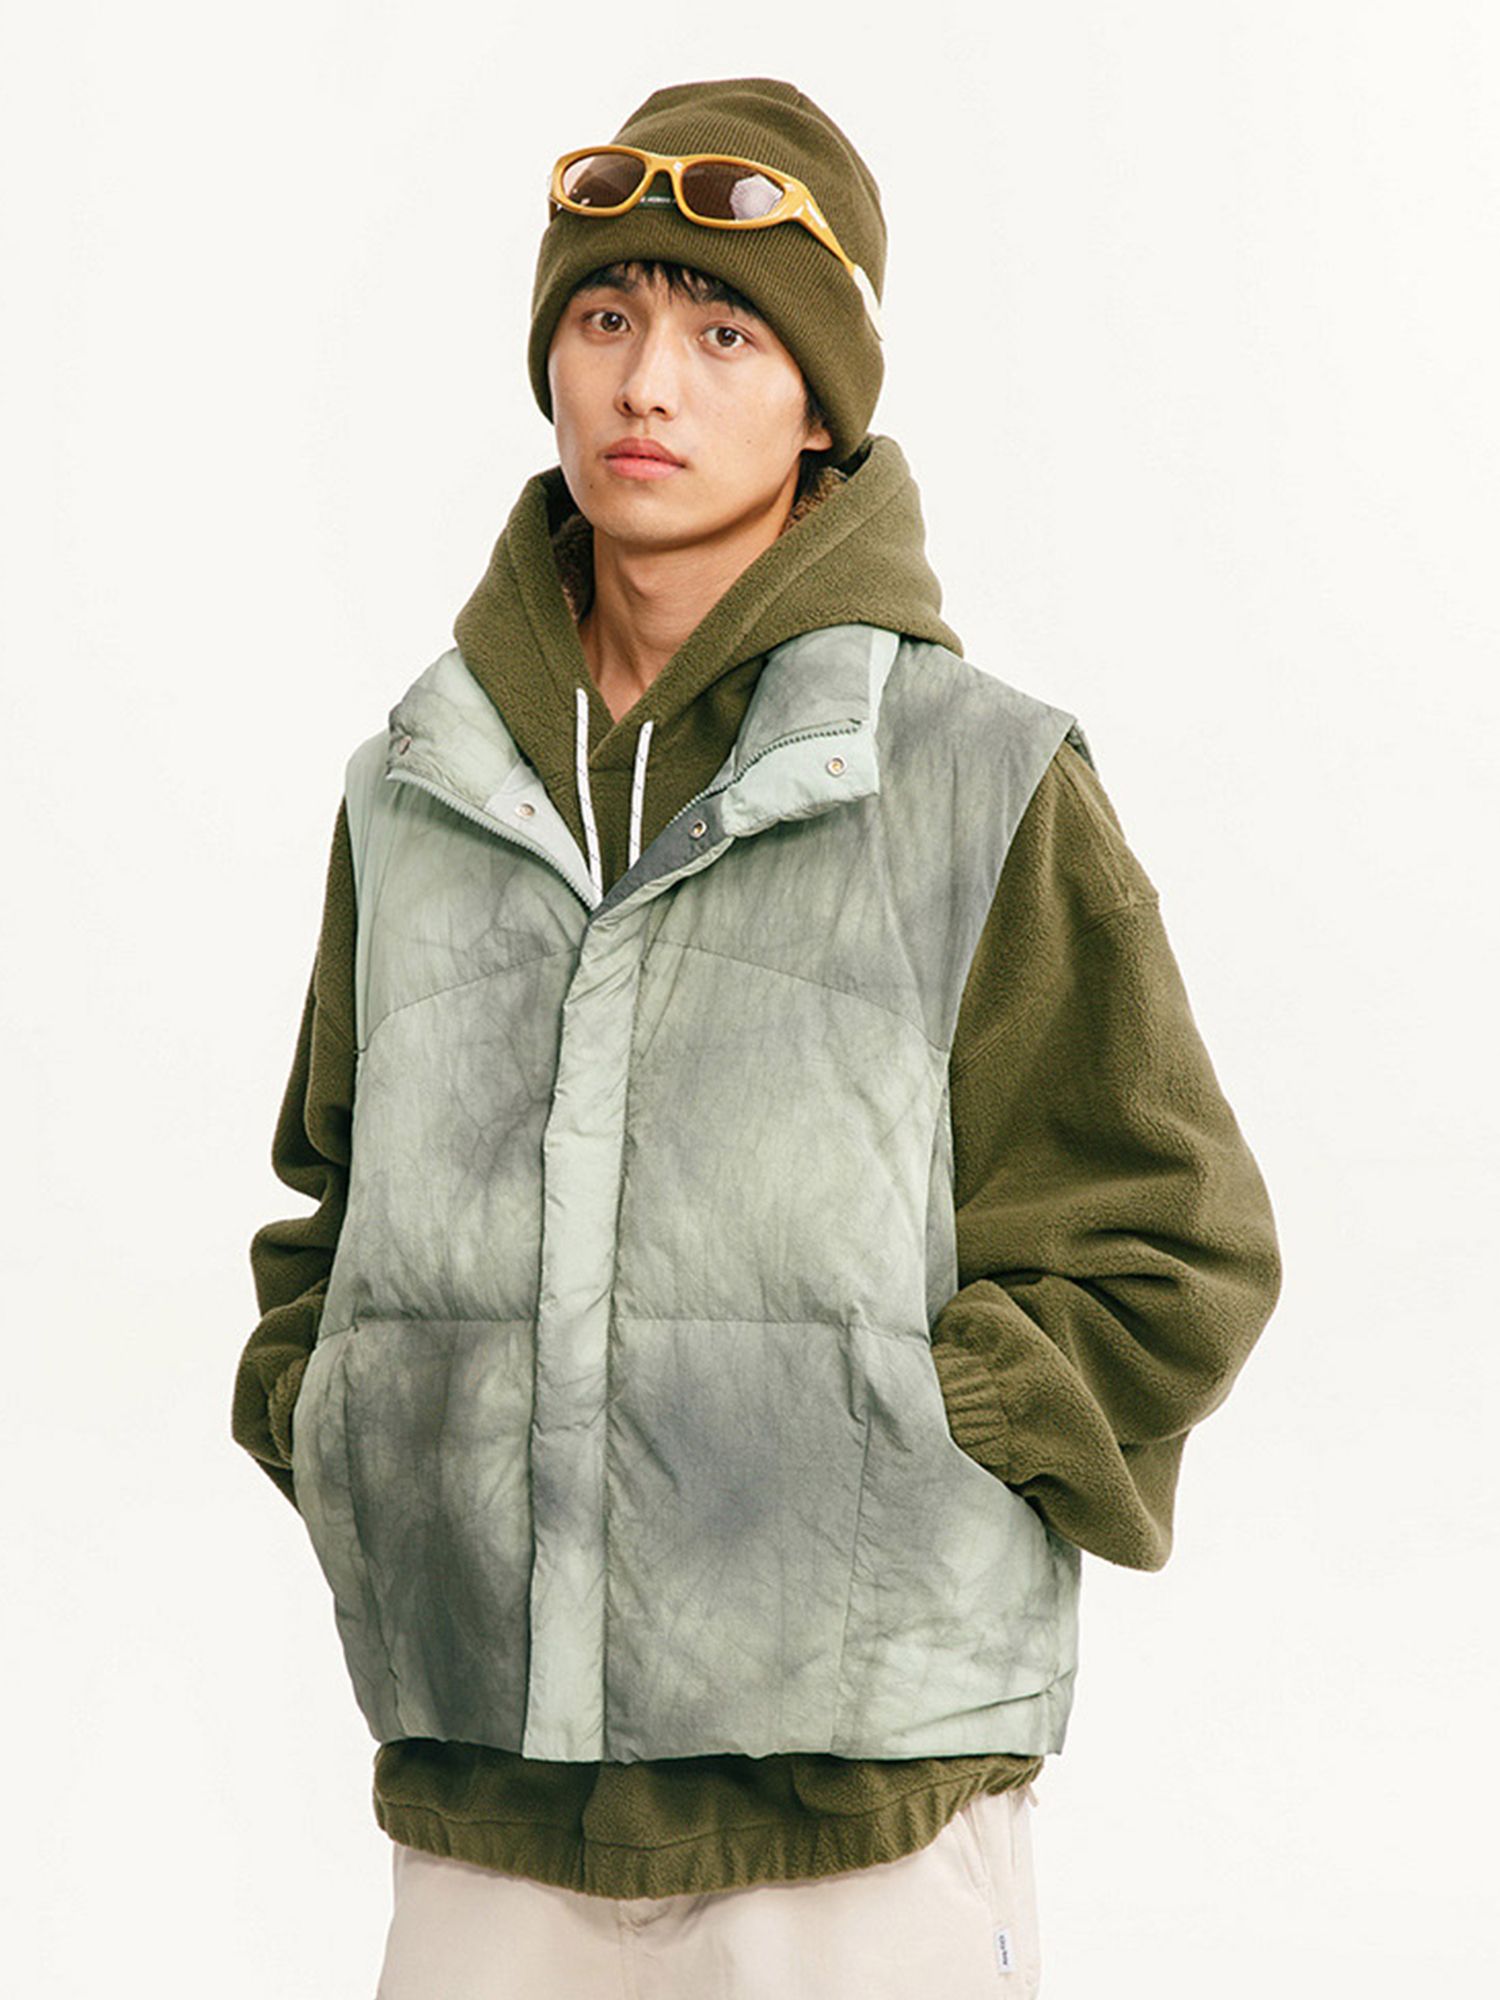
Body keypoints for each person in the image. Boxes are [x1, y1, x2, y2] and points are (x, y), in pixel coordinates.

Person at [231, 75, 1283, 2000]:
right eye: (606, 316)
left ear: (820, 404)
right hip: (482, 1806)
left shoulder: (977, 779)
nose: (650, 382)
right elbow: (332, 1202)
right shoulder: (412, 792)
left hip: (859, 1819)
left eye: (726, 334)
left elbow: (1171, 1243)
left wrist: (922, 1426)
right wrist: (338, 1411)